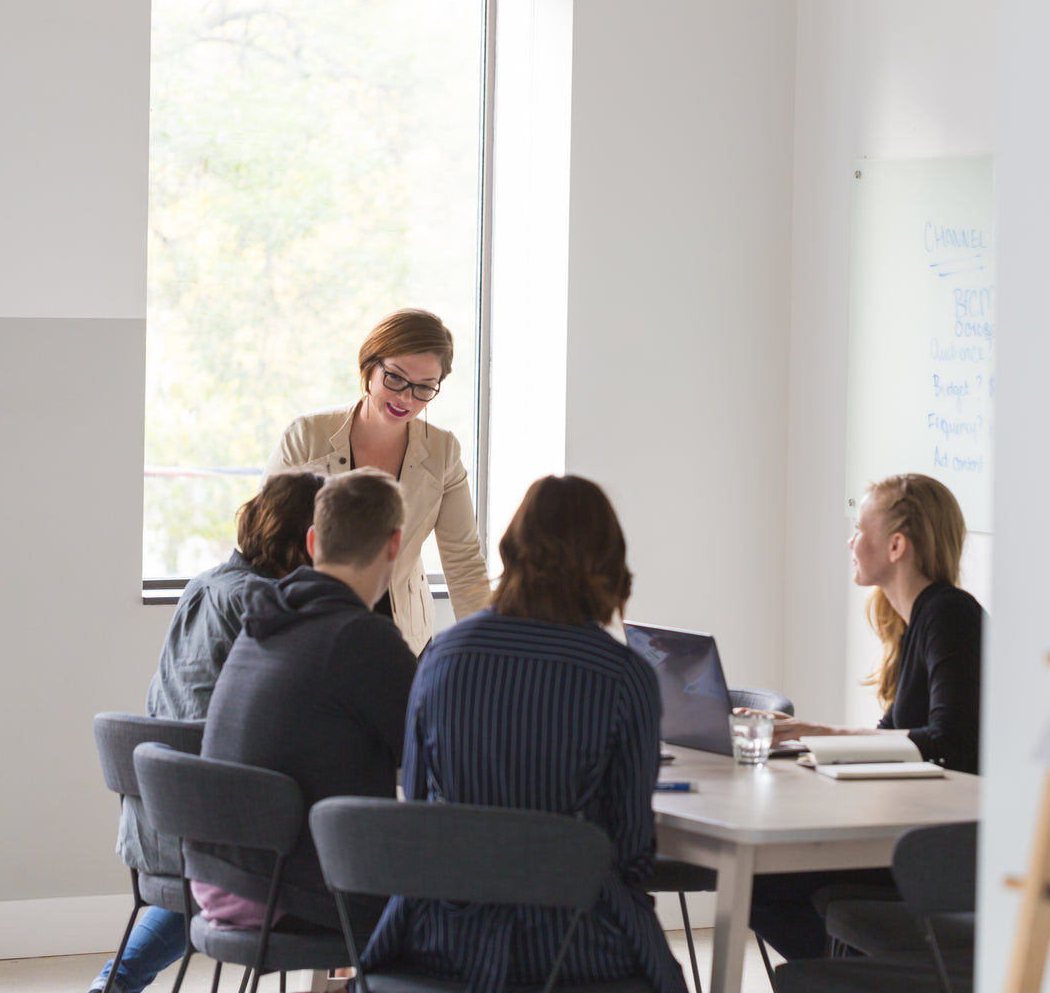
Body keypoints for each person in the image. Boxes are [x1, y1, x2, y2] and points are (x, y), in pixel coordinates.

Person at [360, 475, 686, 993]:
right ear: (608, 561)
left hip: (441, 936)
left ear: (511, 549)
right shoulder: (624, 677)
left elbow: (419, 809)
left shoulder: (442, 656)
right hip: (574, 942)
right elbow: (629, 851)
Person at [90, 470, 325, 993]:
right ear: (311, 538)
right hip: (216, 833)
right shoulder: (267, 603)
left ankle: (112, 984)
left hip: (157, 824)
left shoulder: (205, 584)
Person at [746, 473, 984, 960]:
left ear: (897, 545)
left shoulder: (949, 614)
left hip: (940, 850)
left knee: (759, 881)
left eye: (859, 528)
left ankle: (861, 977)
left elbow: (948, 743)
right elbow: (894, 738)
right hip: (914, 833)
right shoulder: (919, 621)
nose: (850, 541)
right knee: (758, 881)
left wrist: (817, 733)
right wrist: (801, 744)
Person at [188, 468, 419, 936]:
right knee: (464, 884)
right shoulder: (363, 638)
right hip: (287, 892)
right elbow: (434, 755)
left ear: (313, 541)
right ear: (394, 545)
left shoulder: (264, 618)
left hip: (219, 876)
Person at [264, 307, 491, 655]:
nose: (406, 398)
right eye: (396, 378)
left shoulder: (442, 451)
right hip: (311, 635)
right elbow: (266, 545)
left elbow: (463, 562)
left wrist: (487, 651)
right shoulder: (306, 436)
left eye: (424, 388)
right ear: (370, 366)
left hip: (402, 641)